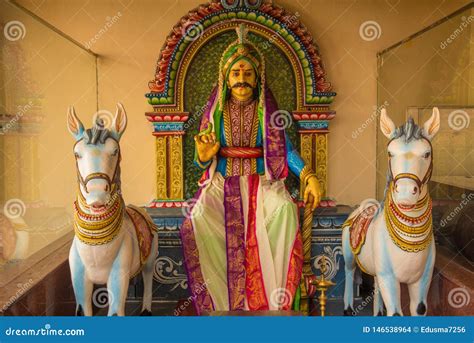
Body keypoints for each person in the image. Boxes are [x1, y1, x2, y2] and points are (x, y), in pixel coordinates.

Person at [180, 24, 321, 314]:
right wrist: (203, 155)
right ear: (226, 78)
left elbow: (287, 150)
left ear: (257, 78)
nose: (241, 79)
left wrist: (308, 176)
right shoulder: (214, 112)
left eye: (247, 73)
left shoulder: (268, 113)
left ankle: (274, 300)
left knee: (283, 208)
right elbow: (202, 156)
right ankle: (220, 302)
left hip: (262, 181)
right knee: (197, 217)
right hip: (223, 182)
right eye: (236, 73)